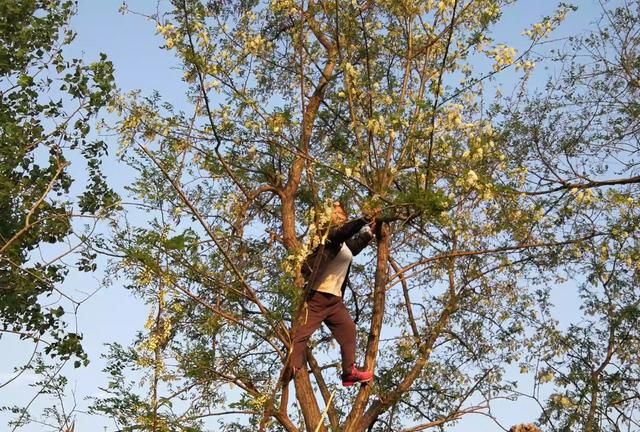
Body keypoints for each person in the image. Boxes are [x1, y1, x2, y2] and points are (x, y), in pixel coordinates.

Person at [290, 201, 377, 387]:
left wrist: (369, 232)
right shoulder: (326, 235)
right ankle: (292, 367)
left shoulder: (343, 244)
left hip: (335, 301)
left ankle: (349, 374)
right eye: (334, 213)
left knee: (349, 331)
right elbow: (342, 233)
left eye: (341, 214)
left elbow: (353, 247)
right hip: (318, 297)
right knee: (301, 334)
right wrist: (362, 220)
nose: (338, 216)